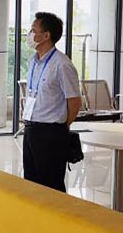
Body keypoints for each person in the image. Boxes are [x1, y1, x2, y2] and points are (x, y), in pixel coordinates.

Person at [22, 12, 81, 192]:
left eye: (34, 30)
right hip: (31, 128)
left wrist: (60, 127)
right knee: (31, 183)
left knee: (51, 186)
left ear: (46, 35)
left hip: (51, 132)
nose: (30, 34)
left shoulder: (62, 64)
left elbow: (74, 101)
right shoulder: (33, 61)